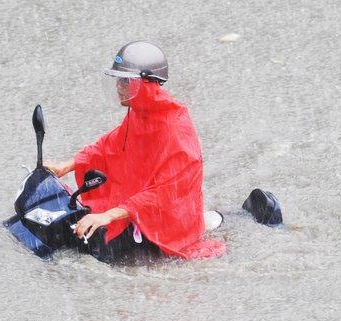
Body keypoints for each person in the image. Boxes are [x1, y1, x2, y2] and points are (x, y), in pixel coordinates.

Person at [45, 41, 226, 262]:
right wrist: (65, 165)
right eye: (119, 80)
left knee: (97, 248)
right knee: (73, 225)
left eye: (126, 81)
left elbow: (165, 193)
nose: (119, 87)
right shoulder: (139, 114)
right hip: (136, 203)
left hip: (166, 219)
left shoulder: (175, 128)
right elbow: (107, 147)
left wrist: (109, 215)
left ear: (146, 84)